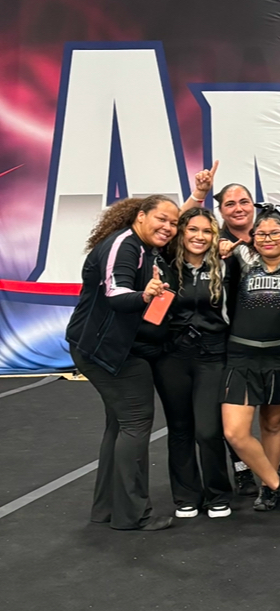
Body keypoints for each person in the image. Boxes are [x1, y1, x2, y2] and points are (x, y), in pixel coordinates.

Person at [67, 195, 180, 532]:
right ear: (141, 216)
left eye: (174, 223)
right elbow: (115, 293)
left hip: (111, 348)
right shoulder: (124, 245)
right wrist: (145, 295)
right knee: (135, 422)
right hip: (103, 351)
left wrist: (199, 194)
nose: (168, 227)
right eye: (161, 219)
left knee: (119, 425)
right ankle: (133, 513)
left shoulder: (145, 247)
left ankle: (107, 508)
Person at [219, 205, 280, 514]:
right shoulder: (242, 257)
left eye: (275, 233)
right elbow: (208, 243)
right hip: (241, 356)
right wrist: (221, 245)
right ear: (252, 237)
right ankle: (277, 484)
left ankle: (268, 492)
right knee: (234, 432)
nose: (268, 239)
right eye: (261, 234)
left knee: (272, 424)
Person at [152, 207, 233, 519]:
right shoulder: (164, 264)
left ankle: (217, 493)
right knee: (179, 427)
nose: (200, 236)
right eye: (193, 229)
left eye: (207, 231)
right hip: (172, 356)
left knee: (209, 429)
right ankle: (186, 495)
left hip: (213, 355)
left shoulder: (224, 265)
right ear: (181, 232)